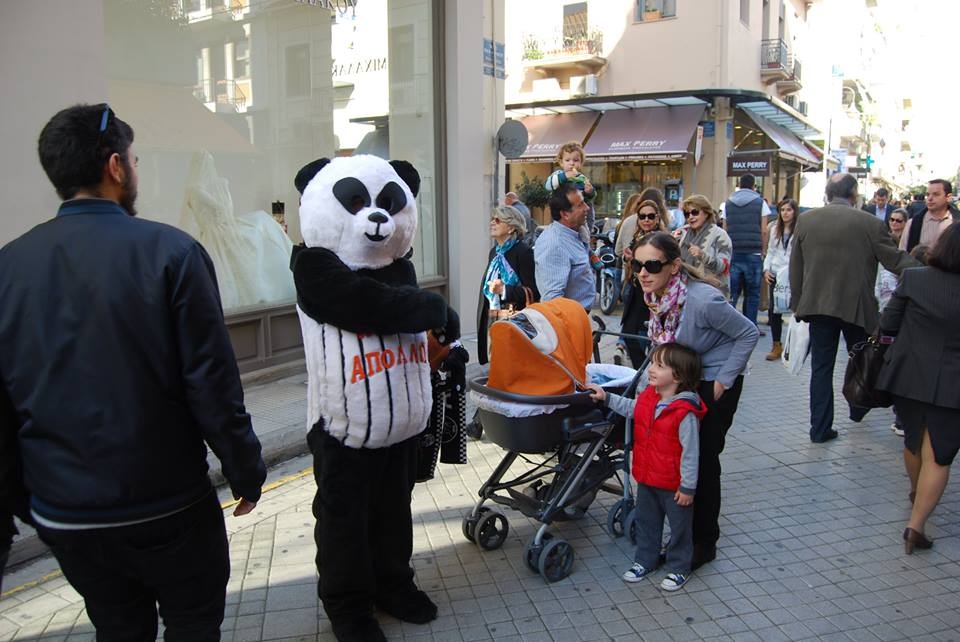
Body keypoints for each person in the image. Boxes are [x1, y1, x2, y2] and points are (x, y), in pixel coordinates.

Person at [0, 103, 266, 639]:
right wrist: (245, 471)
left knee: (118, 627)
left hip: (67, 515)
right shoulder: (171, 253)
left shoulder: (9, 266)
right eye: (136, 161)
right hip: (168, 507)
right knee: (193, 625)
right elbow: (212, 384)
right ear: (116, 167)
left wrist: (25, 500)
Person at [631, 232, 758, 570]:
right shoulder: (657, 296)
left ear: (674, 266)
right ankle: (680, 538)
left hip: (713, 380)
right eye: (637, 264)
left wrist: (722, 382)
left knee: (701, 461)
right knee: (679, 456)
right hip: (684, 379)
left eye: (652, 265)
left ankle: (704, 542)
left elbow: (748, 333)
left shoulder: (702, 300)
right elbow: (663, 347)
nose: (643, 272)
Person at [789, 173, 918, 444]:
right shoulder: (870, 223)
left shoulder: (807, 219)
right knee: (861, 361)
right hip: (855, 307)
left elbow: (795, 266)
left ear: (828, 193)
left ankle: (819, 428)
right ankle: (858, 408)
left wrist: (798, 303)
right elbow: (895, 261)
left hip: (817, 306)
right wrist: (934, 272)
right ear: (854, 194)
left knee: (821, 368)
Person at [587, 343, 706, 591]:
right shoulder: (649, 397)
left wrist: (687, 487)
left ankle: (679, 567)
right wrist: (606, 397)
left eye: (659, 366)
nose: (651, 369)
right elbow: (632, 409)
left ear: (679, 376)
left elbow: (691, 454)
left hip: (674, 484)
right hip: (646, 477)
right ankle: (645, 559)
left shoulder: (685, 412)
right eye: (652, 363)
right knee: (647, 522)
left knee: (680, 528)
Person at [876, 223, 960, 554]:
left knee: (913, 441)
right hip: (954, 383)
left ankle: (916, 493)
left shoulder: (915, 279)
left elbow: (887, 324)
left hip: (908, 375)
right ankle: (916, 526)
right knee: (939, 455)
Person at [477, 205, 539, 363]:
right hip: (493, 315)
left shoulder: (523, 252)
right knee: (495, 362)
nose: (492, 223)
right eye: (492, 219)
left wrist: (504, 290)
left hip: (514, 319)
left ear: (511, 228)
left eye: (497, 220)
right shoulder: (494, 251)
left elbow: (533, 292)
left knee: (511, 364)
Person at [619, 199, 668, 367]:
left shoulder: (661, 239)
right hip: (636, 292)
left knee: (645, 337)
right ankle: (640, 374)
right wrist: (628, 258)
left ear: (657, 218)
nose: (646, 220)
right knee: (629, 335)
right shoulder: (637, 237)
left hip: (654, 295)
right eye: (642, 216)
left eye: (650, 216)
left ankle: (645, 373)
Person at [534, 183, 596, 311]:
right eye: (580, 205)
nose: (587, 208)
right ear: (565, 214)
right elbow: (553, 300)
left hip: (578, 317)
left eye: (584, 202)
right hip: (568, 321)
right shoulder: (554, 244)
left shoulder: (577, 232)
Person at [723, 174, 769, 327]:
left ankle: (729, 325)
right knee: (752, 294)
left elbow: (725, 229)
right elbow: (763, 230)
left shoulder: (727, 204)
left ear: (739, 185)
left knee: (732, 293)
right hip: (753, 253)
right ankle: (750, 326)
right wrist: (763, 250)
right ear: (753, 186)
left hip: (734, 253)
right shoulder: (760, 203)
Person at [761, 198, 798, 360]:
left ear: (794, 212)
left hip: (793, 275)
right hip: (776, 274)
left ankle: (793, 346)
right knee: (774, 310)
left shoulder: (800, 229)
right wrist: (766, 269)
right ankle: (776, 345)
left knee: (796, 311)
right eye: (783, 210)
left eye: (789, 210)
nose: (785, 213)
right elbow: (770, 251)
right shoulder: (774, 228)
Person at [676, 195, 733, 296]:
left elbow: (723, 267)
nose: (690, 217)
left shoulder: (720, 235)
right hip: (684, 293)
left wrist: (703, 256)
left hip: (711, 293)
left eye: (695, 212)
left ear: (706, 213)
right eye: (686, 214)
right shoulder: (682, 233)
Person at [900, 179, 959, 253]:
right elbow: (903, 255)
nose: (930, 198)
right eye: (928, 194)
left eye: (936, 194)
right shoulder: (913, 223)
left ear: (948, 197)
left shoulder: (956, 221)